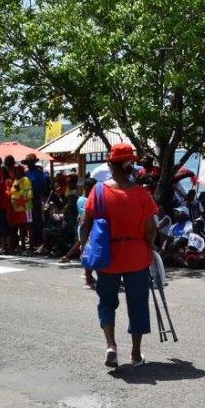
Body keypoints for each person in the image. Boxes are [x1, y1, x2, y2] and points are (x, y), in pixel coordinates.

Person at [80, 142, 158, 368]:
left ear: (110, 164)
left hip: (108, 256)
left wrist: (86, 250)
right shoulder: (142, 194)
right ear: (130, 165)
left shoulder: (99, 191)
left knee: (106, 301)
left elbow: (86, 225)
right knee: (138, 305)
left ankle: (111, 346)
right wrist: (148, 246)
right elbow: (151, 229)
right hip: (137, 256)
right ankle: (135, 354)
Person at [6, 159, 33, 252]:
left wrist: (20, 191)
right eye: (15, 171)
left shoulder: (25, 180)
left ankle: (31, 246)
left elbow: (29, 194)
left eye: (17, 171)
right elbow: (13, 192)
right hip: (18, 208)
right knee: (21, 227)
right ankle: (23, 246)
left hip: (26, 207)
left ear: (21, 171)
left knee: (29, 227)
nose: (15, 172)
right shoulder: (16, 181)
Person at [23, 153, 47, 250]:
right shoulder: (26, 173)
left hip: (37, 200)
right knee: (30, 222)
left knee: (39, 221)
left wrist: (40, 197)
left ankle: (40, 242)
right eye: (28, 163)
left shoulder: (40, 173)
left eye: (30, 162)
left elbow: (44, 185)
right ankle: (33, 242)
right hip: (28, 201)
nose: (29, 164)